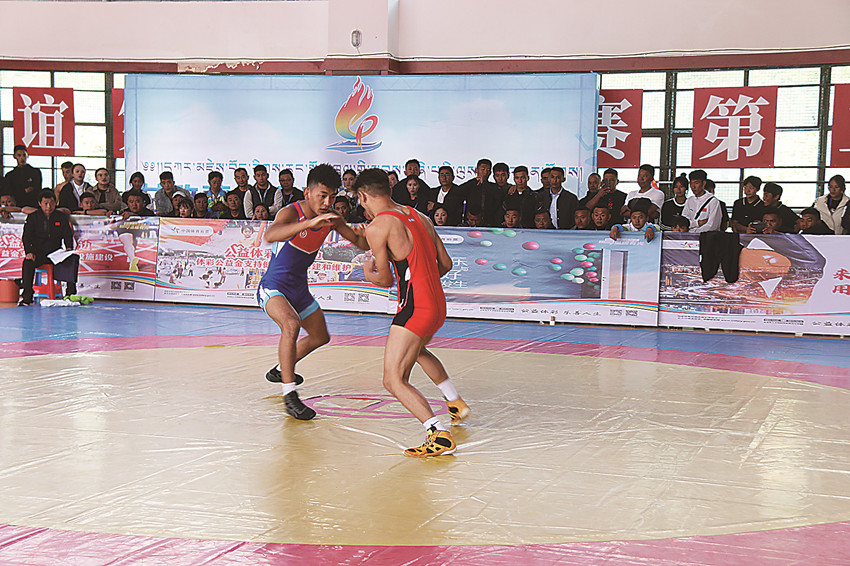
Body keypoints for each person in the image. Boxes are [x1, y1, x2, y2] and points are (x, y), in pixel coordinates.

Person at [355, 167, 469, 457]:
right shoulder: (420, 216)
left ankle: (437, 434)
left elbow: (385, 280)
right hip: (436, 303)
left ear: (363, 196)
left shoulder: (378, 226)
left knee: (393, 379)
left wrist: (367, 271)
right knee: (416, 351)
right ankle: (455, 402)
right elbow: (445, 264)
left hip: (415, 306)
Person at [257, 164, 369, 420]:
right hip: (273, 287)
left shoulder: (331, 218)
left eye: (332, 196)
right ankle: (290, 395)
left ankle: (280, 370)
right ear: (307, 192)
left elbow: (360, 243)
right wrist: (309, 223)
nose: (327, 203)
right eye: (322, 196)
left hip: (299, 289)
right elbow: (271, 235)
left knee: (320, 336)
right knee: (291, 324)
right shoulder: (292, 211)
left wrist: (366, 233)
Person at [19, 190, 79, 305]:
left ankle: (70, 294)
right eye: (45, 203)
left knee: (72, 258)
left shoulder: (61, 217)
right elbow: (26, 237)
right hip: (38, 253)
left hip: (55, 254)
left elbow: (67, 235)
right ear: (39, 203)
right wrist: (29, 252)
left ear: (56, 203)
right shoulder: (33, 217)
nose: (49, 206)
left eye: (52, 203)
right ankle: (27, 297)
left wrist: (68, 248)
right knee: (27, 263)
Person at [460, 158, 503, 227]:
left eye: (488, 170)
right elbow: (457, 192)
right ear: (476, 170)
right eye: (483, 169)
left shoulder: (493, 187)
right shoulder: (471, 184)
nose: (485, 172)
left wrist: (485, 184)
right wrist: (474, 181)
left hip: (489, 224)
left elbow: (499, 198)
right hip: (471, 223)